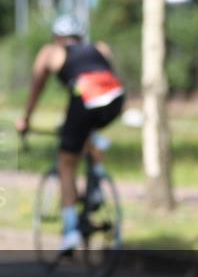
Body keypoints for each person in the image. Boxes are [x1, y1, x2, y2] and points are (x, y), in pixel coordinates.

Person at [15, 14, 125, 251]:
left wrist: (25, 119)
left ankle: (70, 231)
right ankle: (96, 181)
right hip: (115, 97)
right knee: (88, 134)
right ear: (81, 36)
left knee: (66, 162)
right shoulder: (100, 48)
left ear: (57, 37)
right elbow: (101, 76)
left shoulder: (50, 52)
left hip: (85, 97)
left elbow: (37, 87)